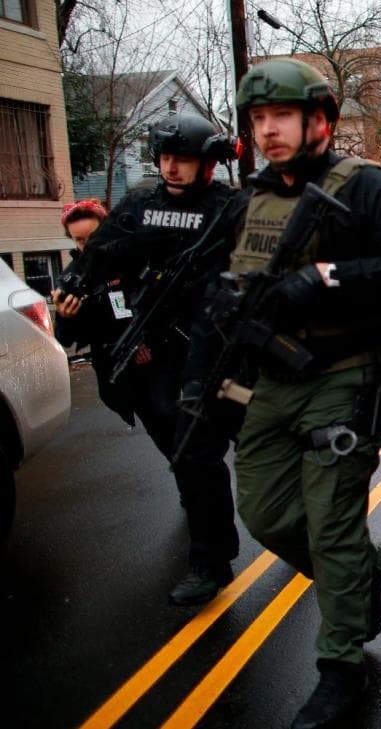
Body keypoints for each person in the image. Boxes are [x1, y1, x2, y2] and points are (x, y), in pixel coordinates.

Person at [224, 58, 381, 728]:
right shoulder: (252, 197)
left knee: (333, 522)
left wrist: (327, 277)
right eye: (258, 119)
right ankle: (360, 570)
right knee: (262, 512)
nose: (268, 130)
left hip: (343, 375)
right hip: (271, 379)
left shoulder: (365, 186)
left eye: (280, 116)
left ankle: (340, 661)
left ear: (319, 119)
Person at [76, 112, 243, 607]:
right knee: (192, 456)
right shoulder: (138, 207)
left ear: (207, 163)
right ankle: (211, 560)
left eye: (183, 159)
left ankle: (340, 552)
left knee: (269, 454)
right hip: (173, 356)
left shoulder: (231, 208)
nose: (172, 168)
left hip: (232, 357)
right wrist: (73, 298)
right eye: (165, 158)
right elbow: (98, 262)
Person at [52, 199, 138, 425]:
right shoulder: (72, 280)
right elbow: (64, 338)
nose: (87, 244)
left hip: (159, 358)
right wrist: (65, 317)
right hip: (116, 369)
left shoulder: (132, 257)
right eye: (79, 240)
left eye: (92, 236)